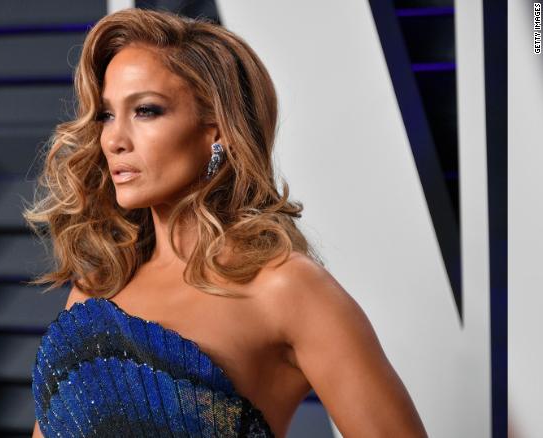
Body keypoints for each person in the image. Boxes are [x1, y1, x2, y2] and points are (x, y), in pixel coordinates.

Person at [23, 8, 427, 437]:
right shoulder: (98, 287)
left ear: (216, 129)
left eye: (145, 110)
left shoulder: (285, 289)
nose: (114, 139)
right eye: (106, 114)